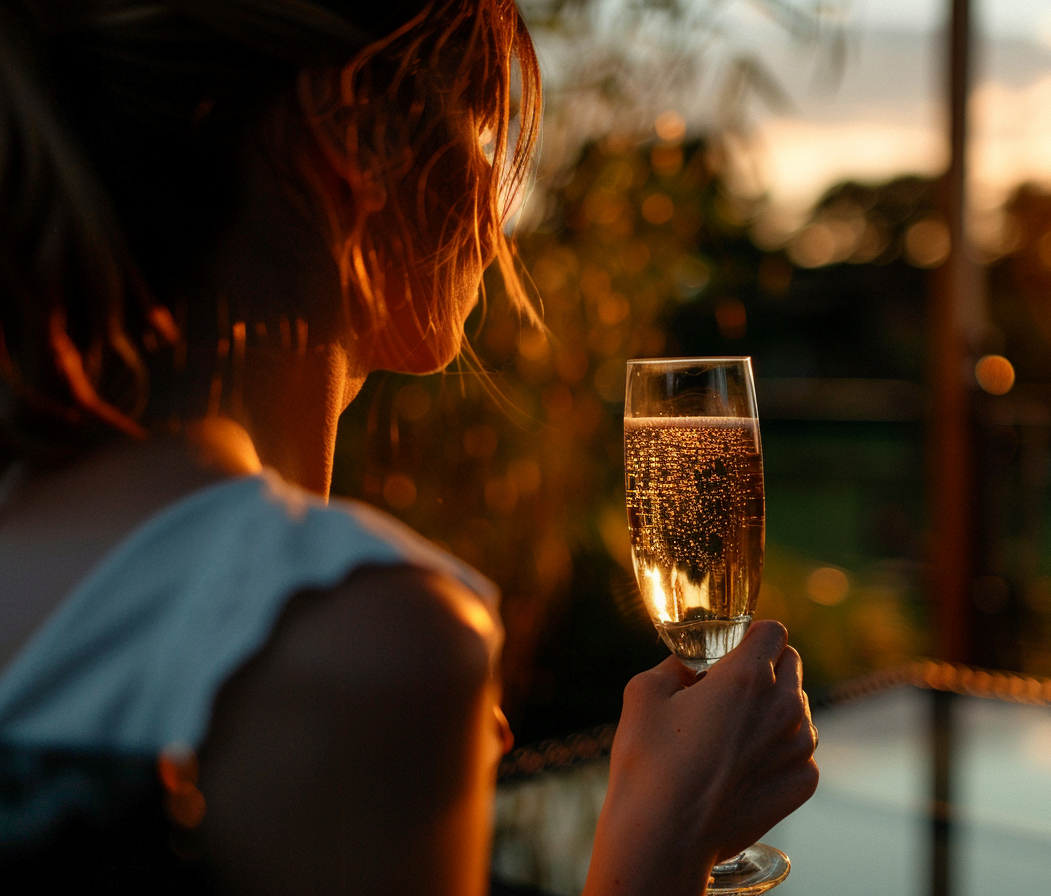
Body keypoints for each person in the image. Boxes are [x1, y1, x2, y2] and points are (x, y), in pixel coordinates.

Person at [0, 1, 819, 894]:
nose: (503, 196)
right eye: (482, 121)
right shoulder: (349, 645)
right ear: (357, 132)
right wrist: (668, 828)